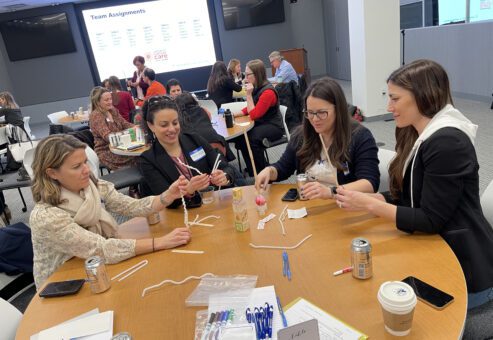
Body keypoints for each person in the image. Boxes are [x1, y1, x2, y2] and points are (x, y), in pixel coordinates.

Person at [335, 60, 493, 311]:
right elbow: (414, 195)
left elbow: (431, 219)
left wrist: (369, 205)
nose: (389, 106)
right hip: (435, 245)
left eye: (395, 99)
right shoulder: (418, 132)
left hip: (464, 265)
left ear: (423, 96)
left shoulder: (447, 142)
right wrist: (382, 199)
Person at [29, 134, 191, 289]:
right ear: (52, 173)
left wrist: (167, 195)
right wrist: (160, 242)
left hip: (93, 267)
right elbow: (101, 249)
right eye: (77, 166)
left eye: (85, 162)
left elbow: (131, 207)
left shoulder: (91, 186)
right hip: (64, 283)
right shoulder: (46, 216)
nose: (87, 170)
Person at [255, 77, 379, 197]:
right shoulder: (301, 135)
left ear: (338, 110)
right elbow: (283, 168)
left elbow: (370, 183)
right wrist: (270, 171)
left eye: (321, 113)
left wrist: (331, 192)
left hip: (344, 207)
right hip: (312, 207)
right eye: (310, 112)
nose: (314, 119)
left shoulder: (359, 137)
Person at [139, 96, 236, 208]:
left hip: (212, 205)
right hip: (180, 216)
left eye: (175, 123)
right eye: (164, 125)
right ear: (151, 126)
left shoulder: (194, 140)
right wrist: (188, 190)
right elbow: (165, 202)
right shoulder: (148, 160)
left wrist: (224, 176)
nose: (172, 129)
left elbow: (227, 168)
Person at [233, 59, 284, 176]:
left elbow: (254, 114)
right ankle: (253, 170)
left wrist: (248, 95)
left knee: (252, 138)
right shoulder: (258, 87)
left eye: (247, 74)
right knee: (241, 138)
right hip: (264, 123)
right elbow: (253, 107)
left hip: (274, 126)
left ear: (256, 75)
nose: (245, 78)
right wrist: (237, 114)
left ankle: (262, 172)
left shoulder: (268, 92)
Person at [89, 87, 135, 170]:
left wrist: (136, 127)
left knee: (143, 156)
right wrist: (126, 135)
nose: (110, 102)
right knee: (140, 157)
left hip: (121, 146)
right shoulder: (96, 116)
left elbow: (124, 124)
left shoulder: (112, 110)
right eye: (106, 100)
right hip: (107, 151)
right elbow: (108, 136)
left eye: (110, 99)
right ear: (97, 102)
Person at [175, 92, 229, 158]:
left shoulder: (178, 117)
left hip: (196, 152)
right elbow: (209, 121)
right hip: (217, 145)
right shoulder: (204, 110)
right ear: (193, 100)